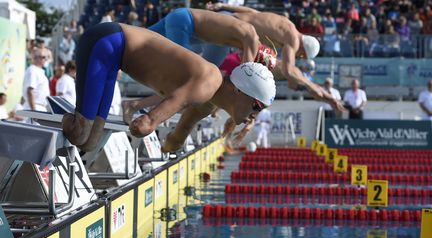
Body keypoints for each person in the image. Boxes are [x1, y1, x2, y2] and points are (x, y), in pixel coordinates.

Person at [62, 22, 276, 152]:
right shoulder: (208, 83)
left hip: (114, 54)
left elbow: (179, 132)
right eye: (256, 107)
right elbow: (146, 123)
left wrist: (170, 146)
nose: (254, 116)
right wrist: (147, 125)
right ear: (240, 91)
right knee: (81, 134)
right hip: (107, 42)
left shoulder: (211, 100)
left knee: (89, 141)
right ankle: (47, 126)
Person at [205, 3, 345, 111]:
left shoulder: (285, 23)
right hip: (227, 29)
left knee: (192, 52)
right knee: (205, 77)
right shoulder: (293, 40)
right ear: (303, 49)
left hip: (224, 19)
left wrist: (222, 6)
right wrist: (311, 86)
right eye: (301, 55)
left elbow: (252, 13)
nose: (299, 56)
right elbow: (288, 70)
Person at [148, 8, 276, 68]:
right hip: (184, 23)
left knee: (136, 37)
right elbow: (246, 72)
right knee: (182, 69)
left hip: (184, 22)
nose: (240, 57)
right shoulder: (251, 38)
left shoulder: (242, 38)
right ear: (256, 56)